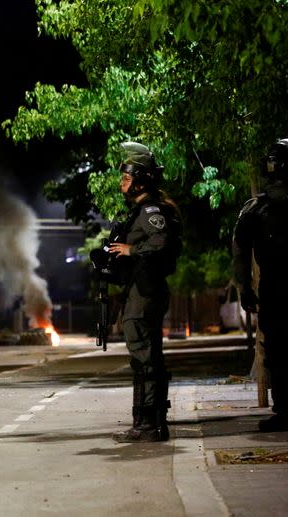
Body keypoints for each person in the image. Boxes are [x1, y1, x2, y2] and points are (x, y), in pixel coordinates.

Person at [106, 142, 182, 443]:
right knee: (144, 357)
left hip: (146, 291)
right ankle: (146, 421)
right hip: (139, 290)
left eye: (126, 178)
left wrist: (131, 249)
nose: (122, 183)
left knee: (145, 356)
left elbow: (161, 242)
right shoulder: (139, 211)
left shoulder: (151, 210)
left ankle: (149, 424)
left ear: (141, 181)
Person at [232, 138, 288, 432]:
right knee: (279, 350)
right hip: (275, 289)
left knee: (279, 351)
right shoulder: (259, 208)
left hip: (275, 290)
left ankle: (283, 411)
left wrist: (245, 289)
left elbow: (240, 251)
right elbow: (241, 249)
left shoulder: (257, 208)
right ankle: (282, 411)